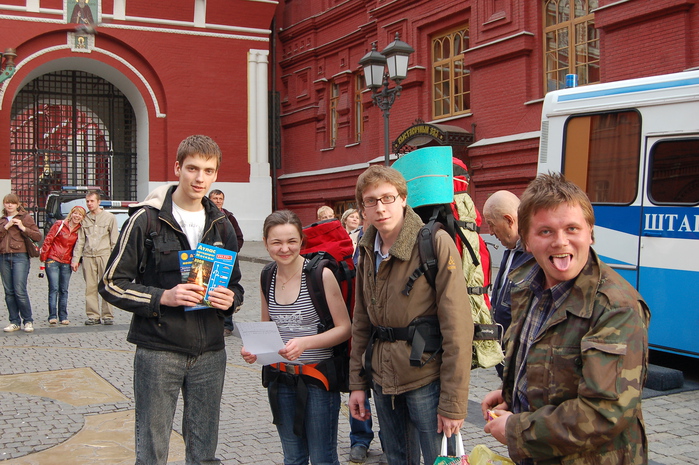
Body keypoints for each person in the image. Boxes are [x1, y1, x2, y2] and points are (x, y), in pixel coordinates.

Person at [481, 173, 650, 465]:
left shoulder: (616, 307)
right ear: (527, 241)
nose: (561, 242)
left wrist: (515, 429)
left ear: (590, 233)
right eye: (545, 231)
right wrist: (514, 393)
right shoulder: (525, 287)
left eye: (572, 228)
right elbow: (541, 365)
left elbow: (603, 412)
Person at [99, 134, 244, 465]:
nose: (199, 178)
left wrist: (229, 300)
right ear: (178, 168)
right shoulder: (146, 219)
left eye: (208, 171)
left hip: (210, 352)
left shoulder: (222, 225)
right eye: (192, 168)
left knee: (204, 451)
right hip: (159, 350)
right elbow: (111, 283)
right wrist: (164, 296)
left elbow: (237, 287)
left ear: (216, 175)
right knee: (152, 451)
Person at [348, 165, 473, 465]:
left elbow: (458, 327)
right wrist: (357, 383)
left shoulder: (433, 242)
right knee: (397, 459)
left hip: (425, 377)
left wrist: (454, 404)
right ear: (363, 208)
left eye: (388, 198)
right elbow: (362, 320)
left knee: (438, 460)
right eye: (371, 201)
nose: (380, 208)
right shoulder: (367, 249)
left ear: (404, 199)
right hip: (382, 379)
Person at [241, 209, 351, 465]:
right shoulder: (266, 275)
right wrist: (254, 350)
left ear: (302, 241)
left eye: (291, 241)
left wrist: (306, 342)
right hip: (281, 381)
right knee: (293, 457)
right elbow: (267, 326)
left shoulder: (320, 275)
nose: (284, 248)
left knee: (323, 457)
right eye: (276, 242)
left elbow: (345, 328)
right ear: (265, 243)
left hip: (317, 380)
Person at [483, 190, 532, 378]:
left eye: (491, 225)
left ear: (509, 220)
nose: (490, 232)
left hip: (521, 360)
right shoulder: (510, 251)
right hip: (506, 356)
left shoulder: (532, 255)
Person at [71, 190, 118, 325]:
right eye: (87, 201)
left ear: (98, 202)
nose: (89, 204)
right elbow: (80, 241)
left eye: (92, 201)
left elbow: (114, 240)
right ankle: (93, 315)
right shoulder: (84, 219)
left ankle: (107, 315)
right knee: (90, 287)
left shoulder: (109, 218)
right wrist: (76, 259)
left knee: (107, 285)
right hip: (88, 256)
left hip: (105, 255)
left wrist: (115, 259)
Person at [1, 194, 42, 333]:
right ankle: (14, 321)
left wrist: (23, 227)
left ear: (18, 205)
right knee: (9, 292)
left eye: (12, 203)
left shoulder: (25, 218)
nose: (9, 205)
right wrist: (6, 226)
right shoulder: (2, 220)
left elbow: (37, 236)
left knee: (20, 290)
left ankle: (28, 320)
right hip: (4, 256)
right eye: (7, 203)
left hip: (20, 256)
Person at [40, 205, 86, 326]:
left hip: (67, 261)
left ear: (83, 218)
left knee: (64, 289)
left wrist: (76, 261)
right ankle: (52, 316)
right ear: (71, 214)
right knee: (54, 288)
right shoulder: (60, 224)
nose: (77, 216)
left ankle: (63, 316)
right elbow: (48, 240)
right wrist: (44, 258)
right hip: (53, 259)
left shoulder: (80, 230)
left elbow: (79, 247)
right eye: (76, 213)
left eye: (80, 215)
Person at [208, 189, 244, 337]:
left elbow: (239, 237)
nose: (218, 201)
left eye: (220, 198)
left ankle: (227, 325)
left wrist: (232, 253)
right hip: (208, 258)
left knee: (226, 290)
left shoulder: (229, 217)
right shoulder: (205, 216)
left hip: (226, 260)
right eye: (215, 198)